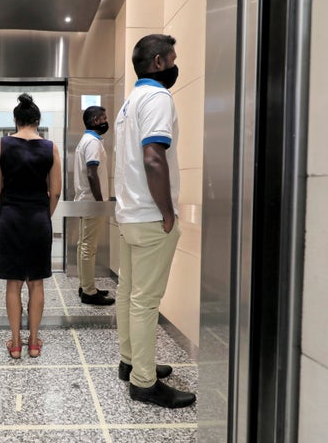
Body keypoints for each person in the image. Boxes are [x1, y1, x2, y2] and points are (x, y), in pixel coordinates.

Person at [114, 34, 196, 408]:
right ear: (160, 62)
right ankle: (144, 383)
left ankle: (132, 362)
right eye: (174, 58)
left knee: (129, 294)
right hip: (150, 217)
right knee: (145, 301)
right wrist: (167, 212)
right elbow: (153, 158)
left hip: (129, 215)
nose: (177, 65)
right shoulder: (159, 98)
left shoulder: (129, 103)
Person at [0, 93, 62, 359]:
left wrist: (4, 214)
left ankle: (16, 343)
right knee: (37, 283)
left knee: (13, 283)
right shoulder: (50, 147)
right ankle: (34, 343)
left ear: (16, 120)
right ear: (37, 121)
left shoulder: (0, 145)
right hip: (38, 219)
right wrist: (45, 214)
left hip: (10, 218)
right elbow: (55, 192)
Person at [73, 106, 116, 306]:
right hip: (92, 203)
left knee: (84, 245)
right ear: (96, 120)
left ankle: (85, 285)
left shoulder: (87, 141)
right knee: (88, 247)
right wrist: (100, 203)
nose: (106, 121)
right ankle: (89, 292)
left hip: (86, 202)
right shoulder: (92, 142)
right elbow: (92, 173)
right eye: (104, 118)